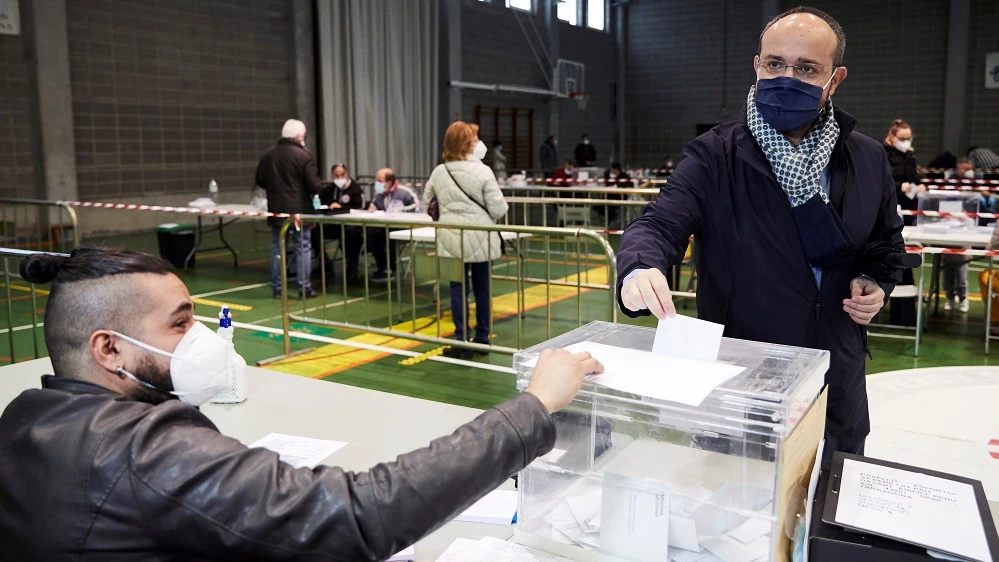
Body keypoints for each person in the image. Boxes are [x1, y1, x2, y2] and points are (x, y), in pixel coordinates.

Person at [0, 248, 603, 560]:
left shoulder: (25, 418)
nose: (200, 338)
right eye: (180, 323)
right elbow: (359, 515)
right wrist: (532, 406)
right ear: (109, 349)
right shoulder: (145, 452)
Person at [617, 7, 905, 459]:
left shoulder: (867, 158)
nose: (787, 78)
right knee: (735, 516)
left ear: (835, 78)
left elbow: (886, 243)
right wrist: (638, 267)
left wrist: (876, 282)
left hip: (837, 375)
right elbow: (658, 223)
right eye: (775, 64)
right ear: (757, 65)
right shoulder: (716, 156)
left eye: (807, 68)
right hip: (744, 375)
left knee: (828, 505)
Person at [424, 122, 509, 359]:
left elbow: (427, 201)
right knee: (482, 289)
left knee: (457, 289)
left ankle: (461, 339)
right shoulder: (483, 171)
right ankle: (482, 338)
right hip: (481, 236)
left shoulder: (440, 171)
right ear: (468, 143)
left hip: (450, 237)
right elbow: (498, 208)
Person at [255, 119, 322, 299]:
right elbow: (314, 185)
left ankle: (277, 288)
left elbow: (260, 179)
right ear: (299, 136)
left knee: (278, 247)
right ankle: (304, 288)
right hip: (300, 210)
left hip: (276, 208)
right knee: (303, 247)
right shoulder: (303, 156)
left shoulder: (269, 155)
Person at [367, 168, 419, 282]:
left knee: (390, 237)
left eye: (379, 180)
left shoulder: (405, 192)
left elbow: (417, 207)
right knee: (370, 235)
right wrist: (372, 208)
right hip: (383, 226)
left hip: (402, 227)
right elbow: (373, 205)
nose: (377, 183)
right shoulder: (379, 194)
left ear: (389, 182)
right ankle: (382, 267)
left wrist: (400, 211)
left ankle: (391, 269)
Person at [317, 163, 365, 282]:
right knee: (314, 231)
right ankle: (324, 263)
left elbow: (361, 207)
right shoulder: (329, 189)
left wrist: (341, 207)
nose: (339, 178)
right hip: (333, 224)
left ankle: (352, 268)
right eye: (336, 175)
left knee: (351, 237)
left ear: (346, 174)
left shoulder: (355, 189)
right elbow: (320, 202)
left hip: (351, 225)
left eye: (342, 174)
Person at [883, 119, 925, 226]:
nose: (906, 142)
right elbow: (879, 179)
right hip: (890, 202)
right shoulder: (882, 153)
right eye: (902, 139)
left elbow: (912, 177)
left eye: (909, 139)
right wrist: (899, 186)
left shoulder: (910, 155)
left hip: (909, 204)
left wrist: (920, 185)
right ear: (892, 137)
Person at [601, 162, 633, 228]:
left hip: (619, 197)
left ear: (617, 170)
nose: (612, 171)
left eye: (613, 169)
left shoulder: (624, 175)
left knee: (611, 209)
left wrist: (619, 186)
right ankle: (608, 221)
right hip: (607, 196)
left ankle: (611, 220)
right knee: (600, 207)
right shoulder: (606, 174)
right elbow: (603, 183)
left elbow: (630, 184)